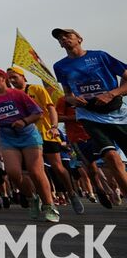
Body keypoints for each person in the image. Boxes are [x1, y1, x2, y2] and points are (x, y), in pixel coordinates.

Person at [51, 28, 127, 201]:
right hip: (89, 115)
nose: (64, 39)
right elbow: (67, 94)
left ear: (79, 39)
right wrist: (73, 100)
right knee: (111, 158)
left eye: (67, 35)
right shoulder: (60, 66)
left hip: (116, 112)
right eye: (60, 38)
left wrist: (112, 93)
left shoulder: (100, 56)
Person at [0, 67, 59, 223]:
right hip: (7, 137)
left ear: (3, 78)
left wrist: (23, 121)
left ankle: (49, 205)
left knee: (35, 172)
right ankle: (32, 199)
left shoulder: (18, 94)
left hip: (28, 135)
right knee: (13, 173)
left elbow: (37, 113)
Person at [6, 66, 83, 214]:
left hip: (46, 133)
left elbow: (51, 108)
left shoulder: (36, 89)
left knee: (57, 167)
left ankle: (71, 193)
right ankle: (43, 199)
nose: (12, 80)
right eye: (9, 78)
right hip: (26, 136)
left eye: (15, 77)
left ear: (23, 77)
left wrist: (54, 127)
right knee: (34, 170)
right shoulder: (11, 95)